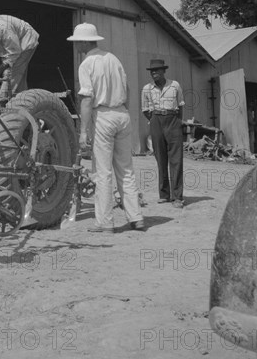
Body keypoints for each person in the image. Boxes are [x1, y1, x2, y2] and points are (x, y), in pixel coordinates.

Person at [68, 22, 145, 232]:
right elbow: (127, 88)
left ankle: (105, 222)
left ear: (84, 42)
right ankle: (136, 217)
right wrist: (124, 113)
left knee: (103, 172)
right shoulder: (113, 59)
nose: (76, 46)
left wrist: (83, 131)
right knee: (126, 169)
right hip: (122, 112)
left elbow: (86, 99)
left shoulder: (87, 64)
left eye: (77, 42)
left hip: (102, 114)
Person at [141, 59, 185, 208]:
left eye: (157, 70)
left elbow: (180, 106)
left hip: (173, 120)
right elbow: (145, 109)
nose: (154, 73)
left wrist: (177, 122)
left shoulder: (175, 85)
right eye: (152, 71)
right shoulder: (147, 89)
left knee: (176, 159)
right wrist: (155, 120)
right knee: (161, 158)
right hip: (156, 121)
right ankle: (164, 194)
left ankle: (177, 196)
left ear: (164, 71)